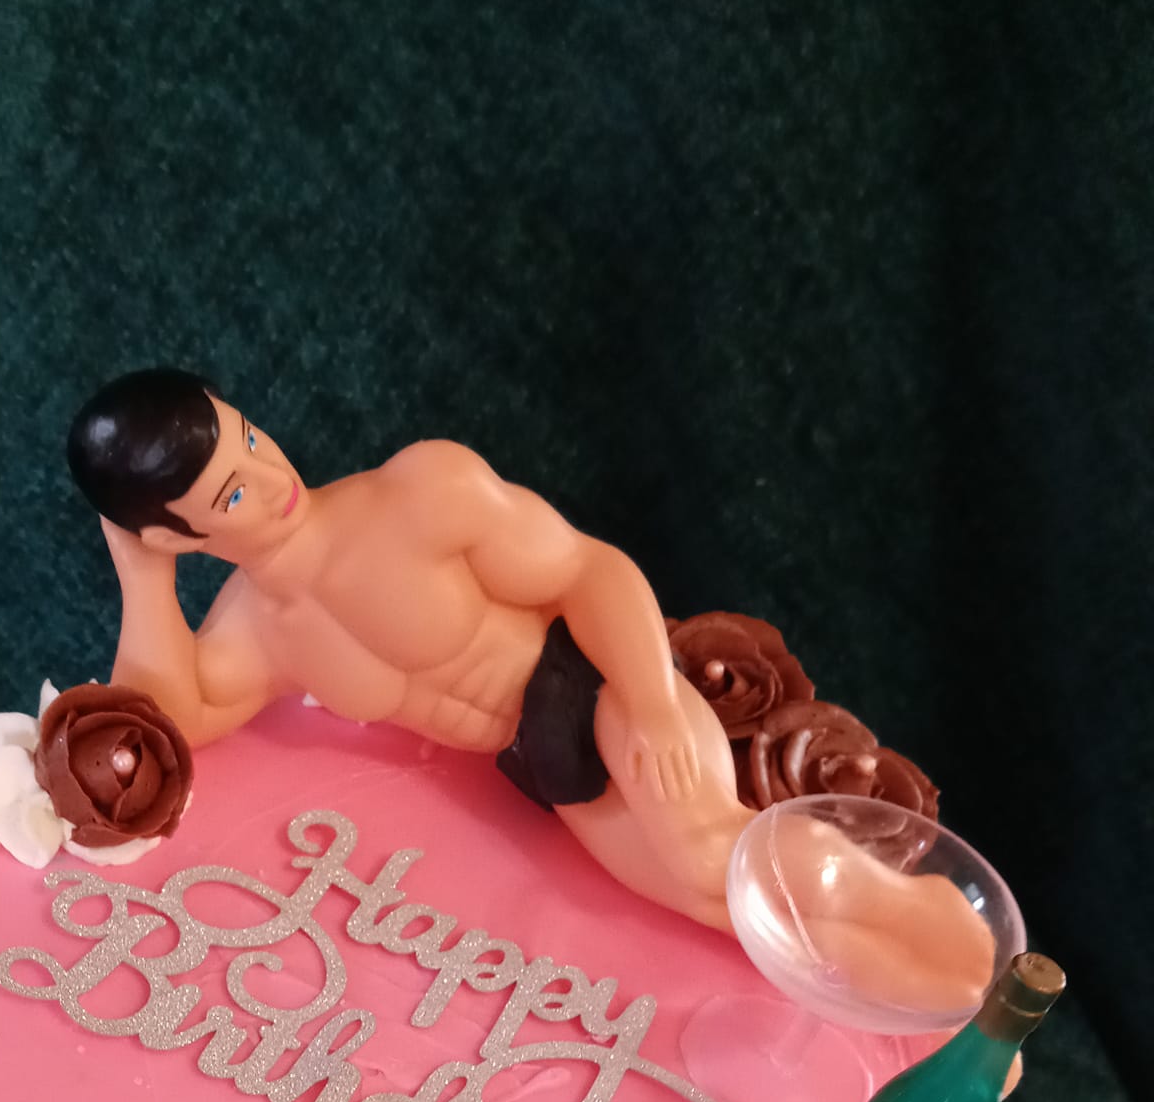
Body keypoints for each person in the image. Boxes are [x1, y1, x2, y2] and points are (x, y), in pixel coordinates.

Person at [67, 369, 991, 1010]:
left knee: (713, 859)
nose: (274, 481)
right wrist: (141, 576)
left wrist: (653, 700)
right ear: (176, 536)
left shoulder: (419, 495)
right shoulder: (260, 628)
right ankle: (912, 995)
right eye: (230, 496)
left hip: (593, 683)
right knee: (716, 908)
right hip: (540, 762)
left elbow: (589, 570)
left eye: (251, 439)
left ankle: (941, 928)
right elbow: (171, 721)